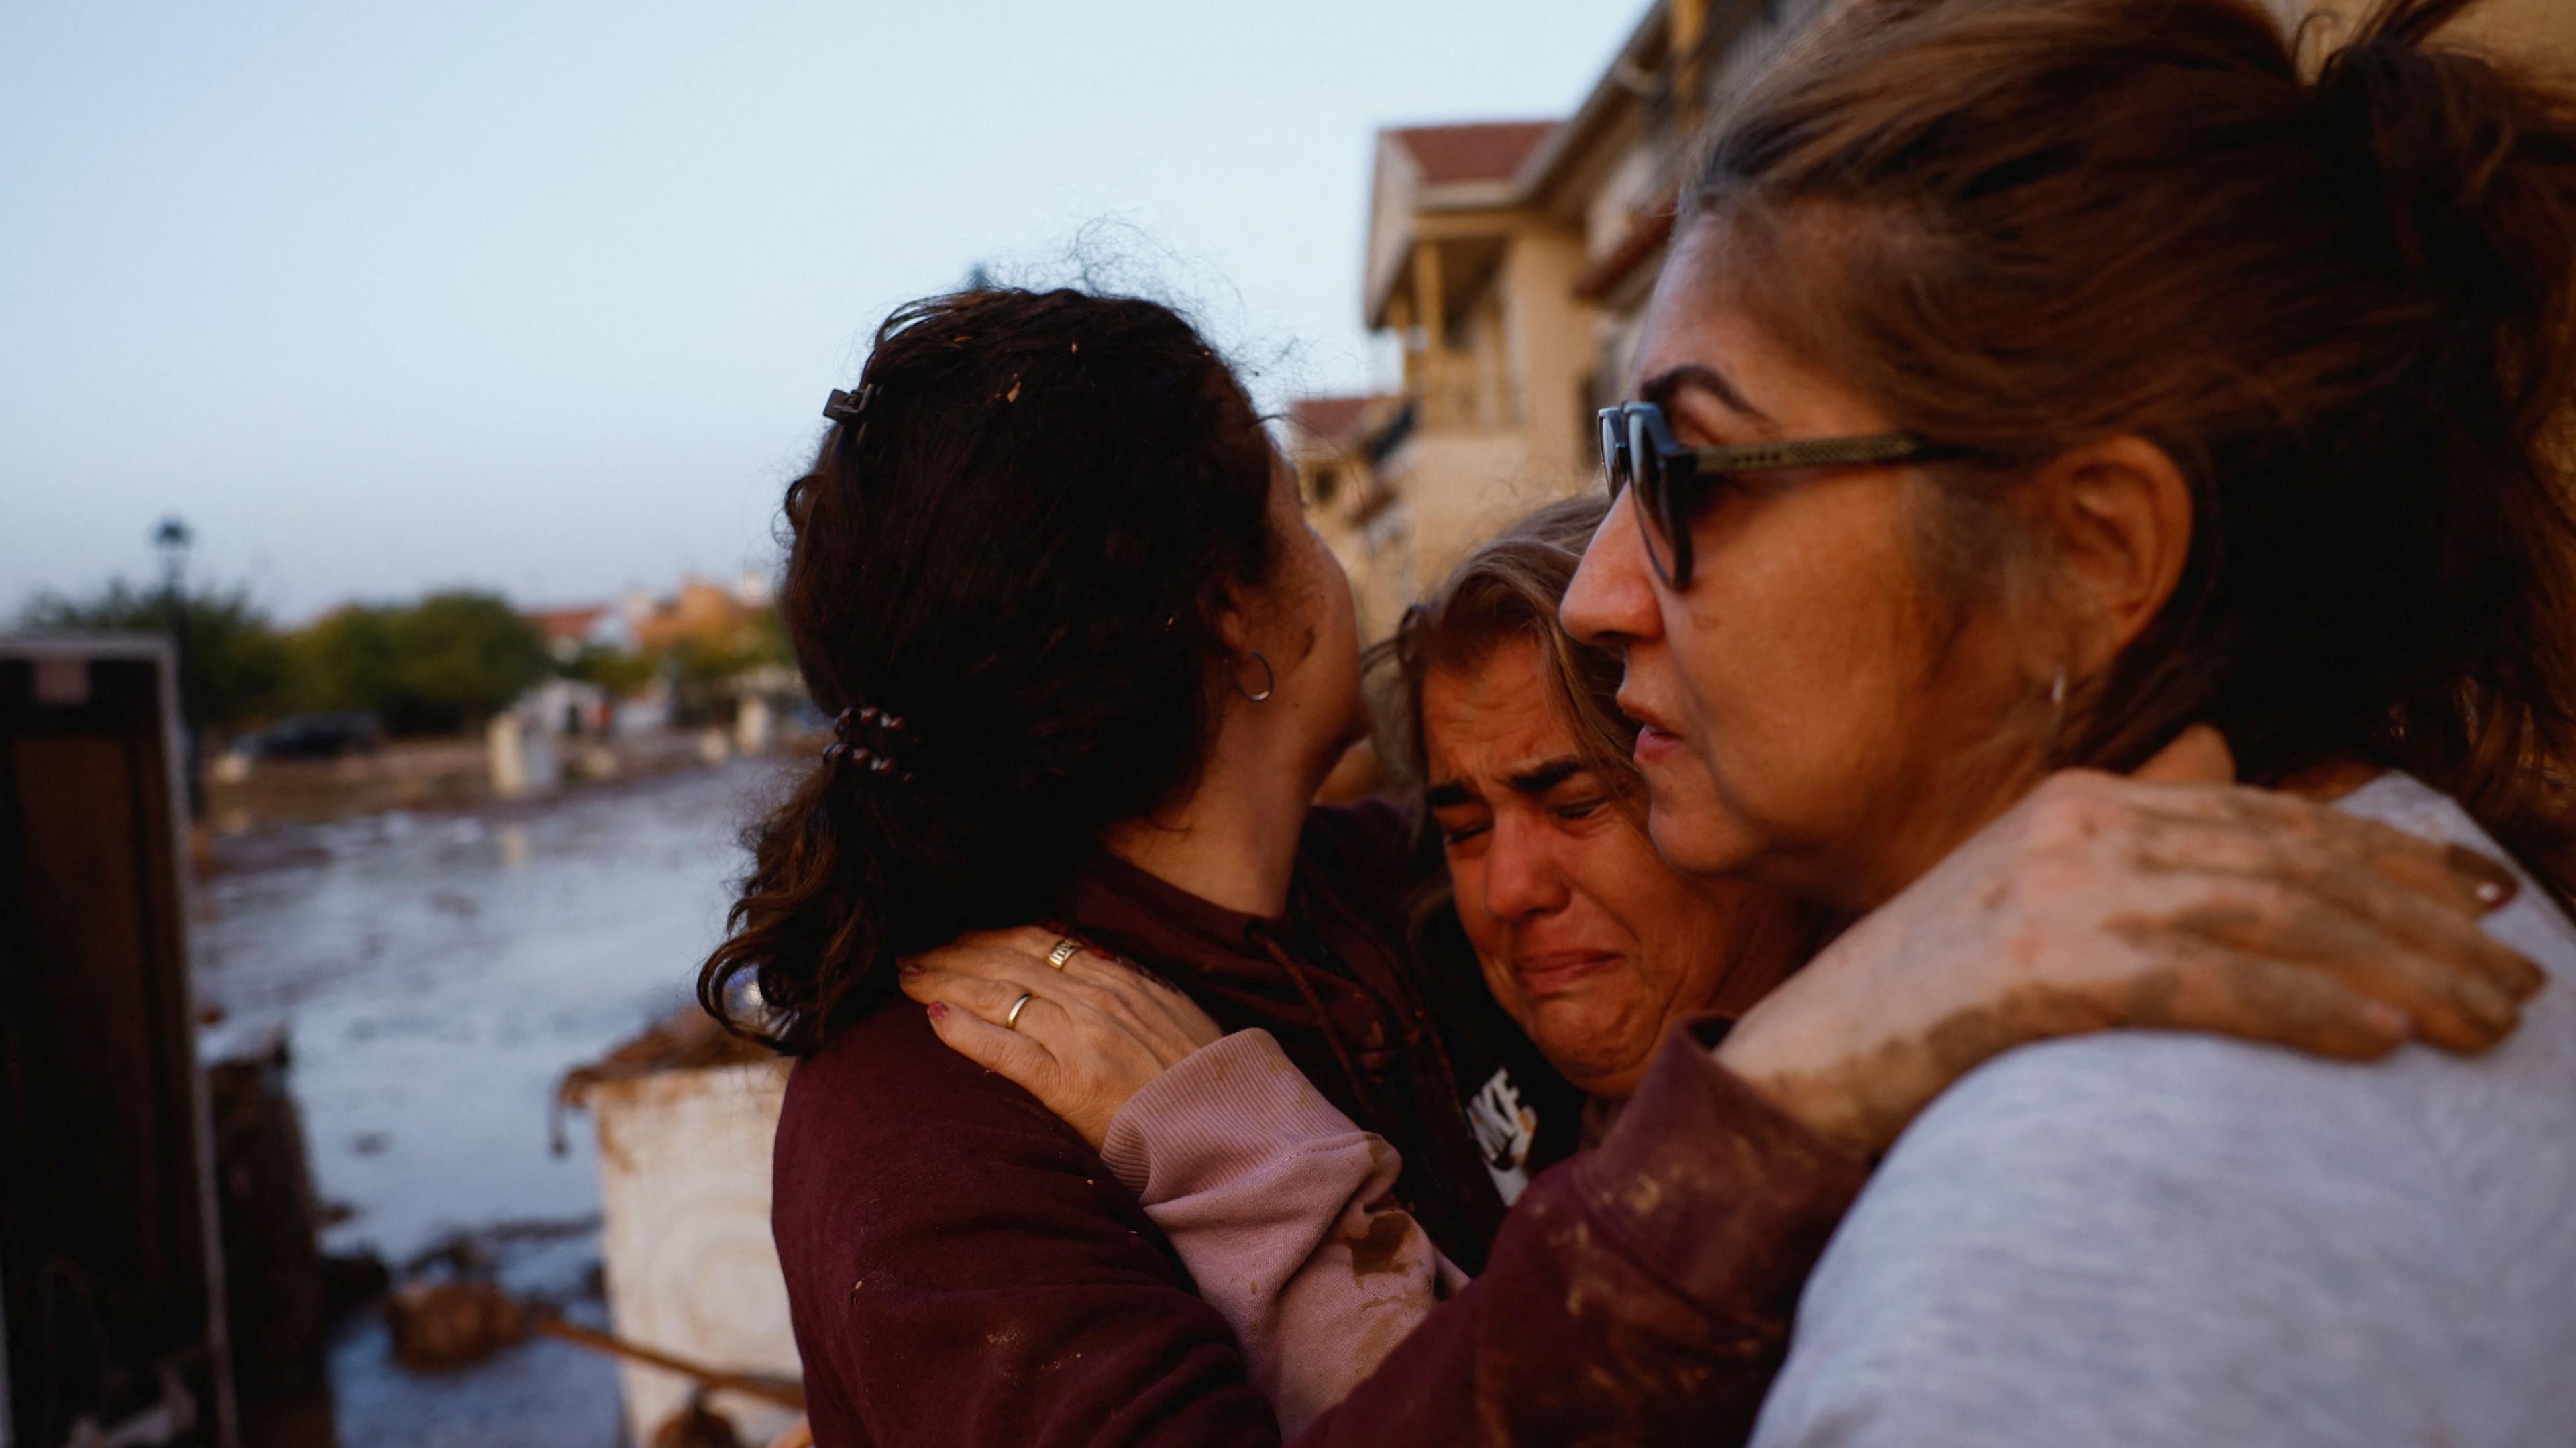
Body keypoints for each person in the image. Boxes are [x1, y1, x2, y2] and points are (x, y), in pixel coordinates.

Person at [722, 284, 2532, 1448]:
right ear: (1234, 618)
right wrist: (1813, 1074)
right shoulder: (926, 1128)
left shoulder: (1376, 907)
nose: (1522, 877)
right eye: (1291, 497)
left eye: (1572, 805)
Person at [1551, 0, 2576, 1441]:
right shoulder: (2396, 911)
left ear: (2092, 554)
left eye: (1689, 464)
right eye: (1619, 460)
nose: (1597, 596)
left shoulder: (2073, 1252)